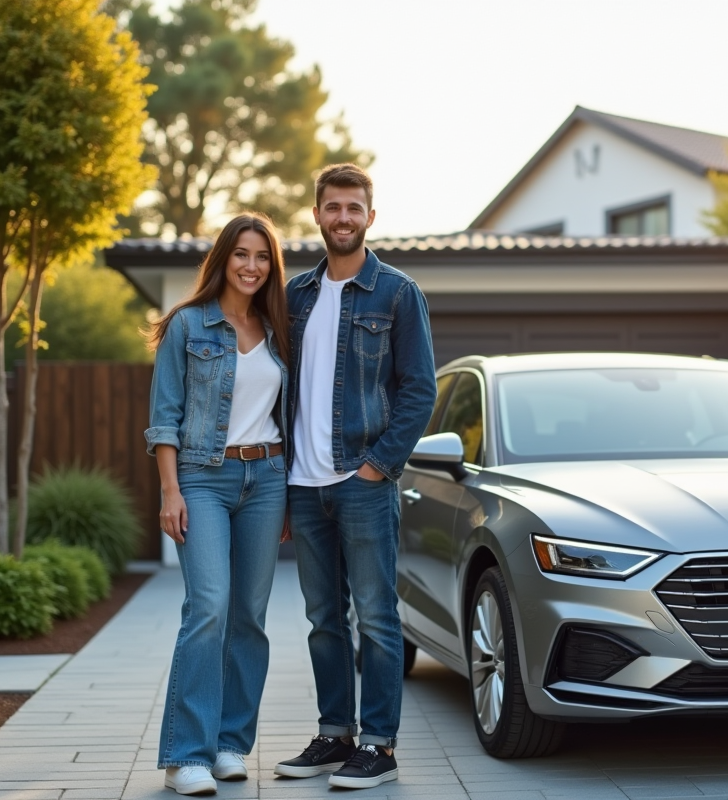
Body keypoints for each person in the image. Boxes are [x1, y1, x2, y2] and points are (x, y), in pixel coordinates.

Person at [274, 163, 436, 789]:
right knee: (322, 618)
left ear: (371, 216)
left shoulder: (397, 293)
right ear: (316, 214)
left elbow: (419, 390)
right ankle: (334, 734)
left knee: (377, 616)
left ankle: (381, 747)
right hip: (304, 486)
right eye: (333, 207)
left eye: (354, 208)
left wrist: (377, 466)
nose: (343, 218)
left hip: (362, 482)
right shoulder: (295, 297)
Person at [145, 213, 291, 796]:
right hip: (203, 478)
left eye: (262, 257)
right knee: (208, 606)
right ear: (223, 259)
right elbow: (164, 418)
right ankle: (187, 756)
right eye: (242, 254)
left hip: (269, 477)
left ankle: (231, 744)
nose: (252, 266)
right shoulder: (187, 324)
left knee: (250, 618)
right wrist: (170, 490)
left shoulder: (279, 326)